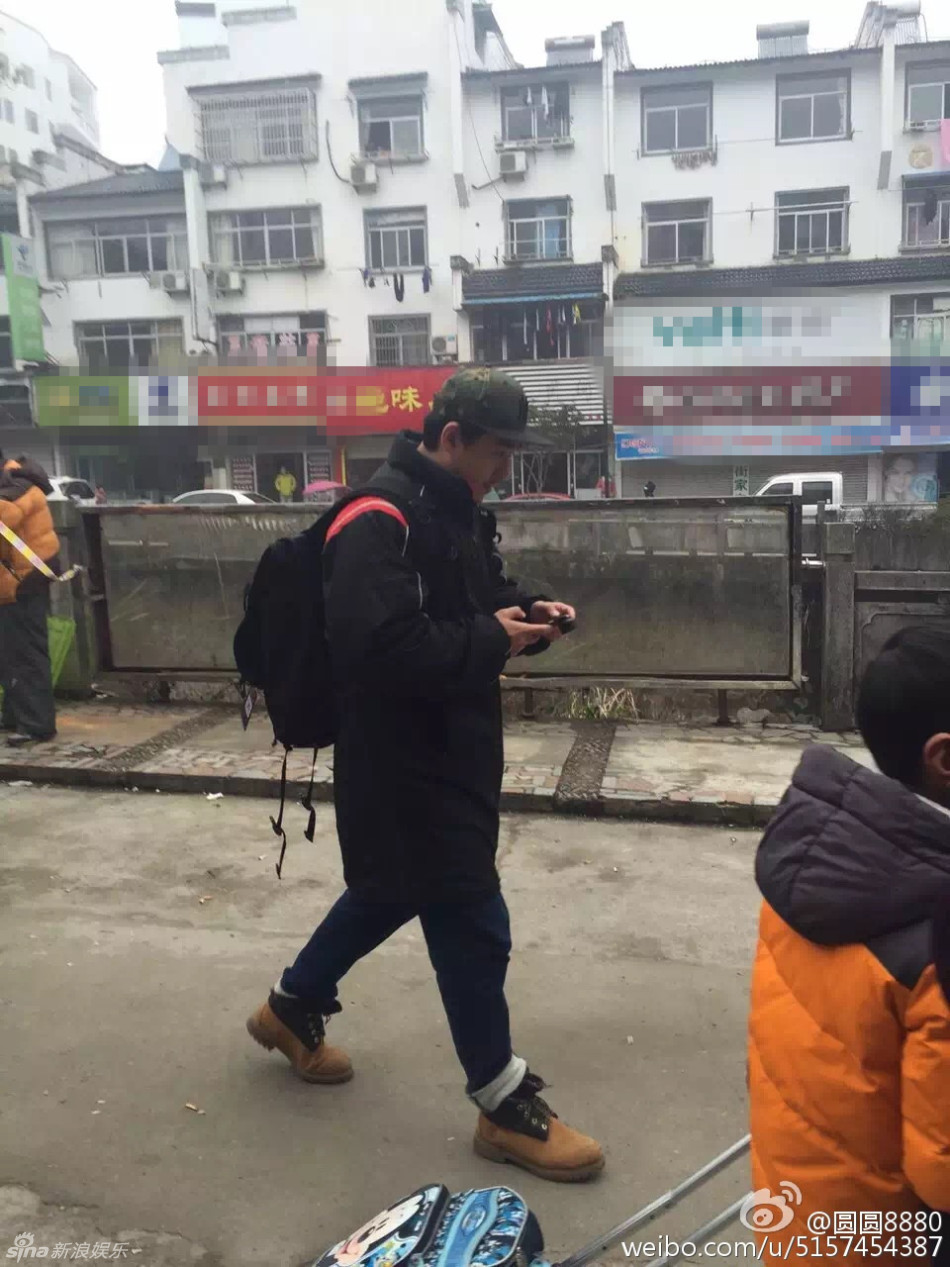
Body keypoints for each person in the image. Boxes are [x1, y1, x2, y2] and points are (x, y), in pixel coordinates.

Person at [246, 368, 604, 1183]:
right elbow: (380, 651)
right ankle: (502, 1102)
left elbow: (477, 601)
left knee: (386, 890)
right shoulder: (377, 520)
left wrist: (533, 613)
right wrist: (493, 638)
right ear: (450, 438)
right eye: (498, 452)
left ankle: (291, 1005)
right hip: (402, 762)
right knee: (472, 917)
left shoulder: (448, 507)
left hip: (451, 746)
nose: (504, 469)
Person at [749, 624, 950, 1261]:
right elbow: (942, 1172)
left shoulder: (821, 857)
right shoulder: (934, 938)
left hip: (797, 1210)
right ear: (944, 759)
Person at [0, 451, 61, 748]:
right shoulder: (13, 482)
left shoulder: (17, 487)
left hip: (23, 580)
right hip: (14, 580)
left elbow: (5, 517)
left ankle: (37, 725)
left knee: (25, 653)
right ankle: (15, 715)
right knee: (9, 652)